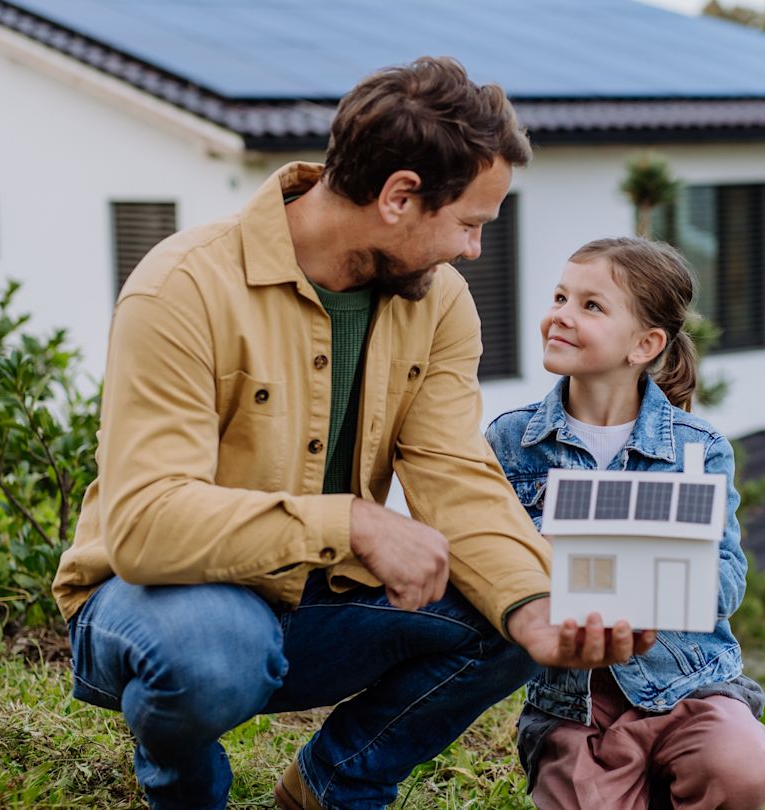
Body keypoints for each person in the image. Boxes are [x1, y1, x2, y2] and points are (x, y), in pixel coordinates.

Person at [51, 57, 651, 810]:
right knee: (213, 649)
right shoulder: (183, 285)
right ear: (400, 196)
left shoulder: (439, 304)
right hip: (156, 605)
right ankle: (186, 793)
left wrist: (535, 606)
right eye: (468, 223)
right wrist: (353, 522)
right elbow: (145, 527)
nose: (472, 248)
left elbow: (455, 478)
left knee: (509, 602)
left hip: (312, 603)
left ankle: (331, 789)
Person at [485, 237, 765, 809]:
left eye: (591, 306)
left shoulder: (698, 449)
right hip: (575, 705)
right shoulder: (511, 440)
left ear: (644, 344)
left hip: (690, 687)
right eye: (560, 297)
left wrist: (637, 572)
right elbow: (490, 562)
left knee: (740, 769)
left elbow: (727, 580)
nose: (561, 315)